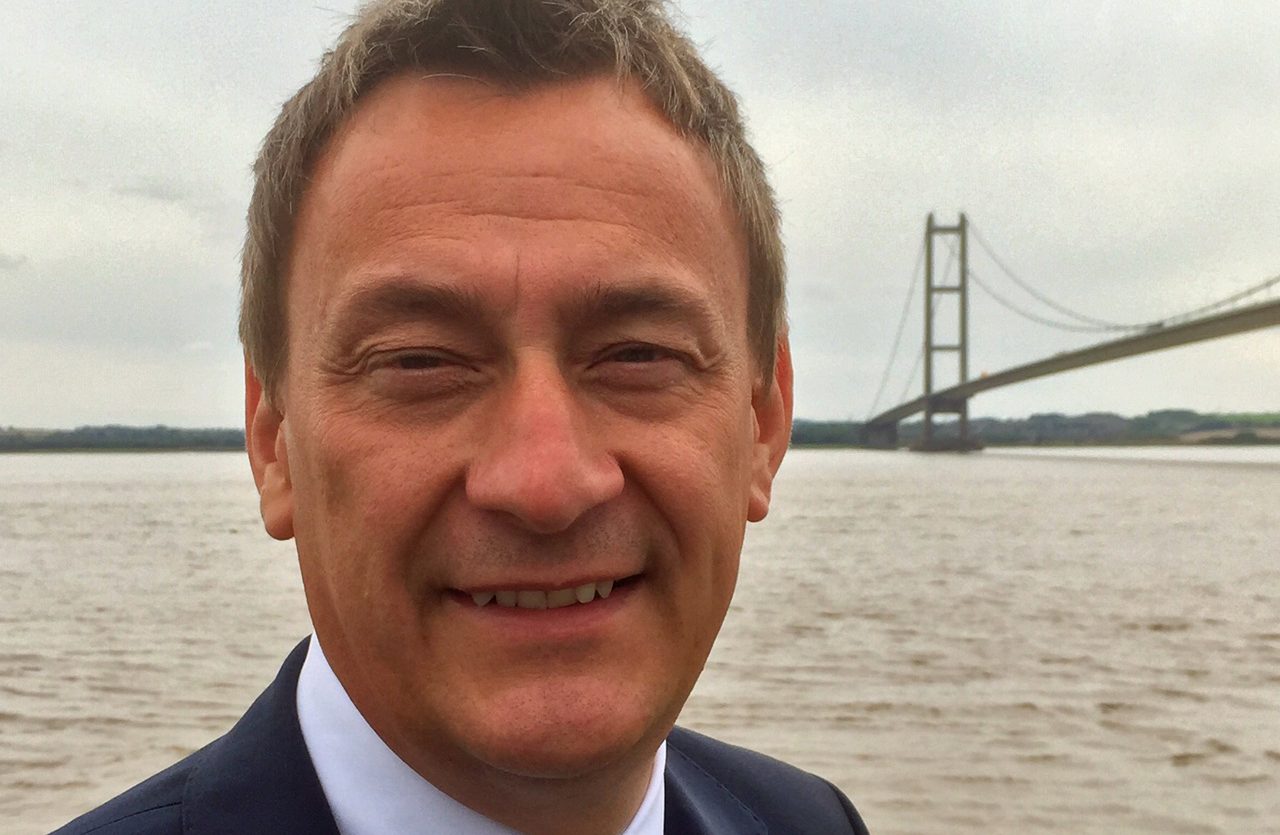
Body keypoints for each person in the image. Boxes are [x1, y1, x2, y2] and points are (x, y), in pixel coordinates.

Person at [58, 1, 868, 832]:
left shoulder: (812, 820)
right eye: (419, 361)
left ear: (764, 422)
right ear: (274, 442)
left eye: (637, 355)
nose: (545, 483)